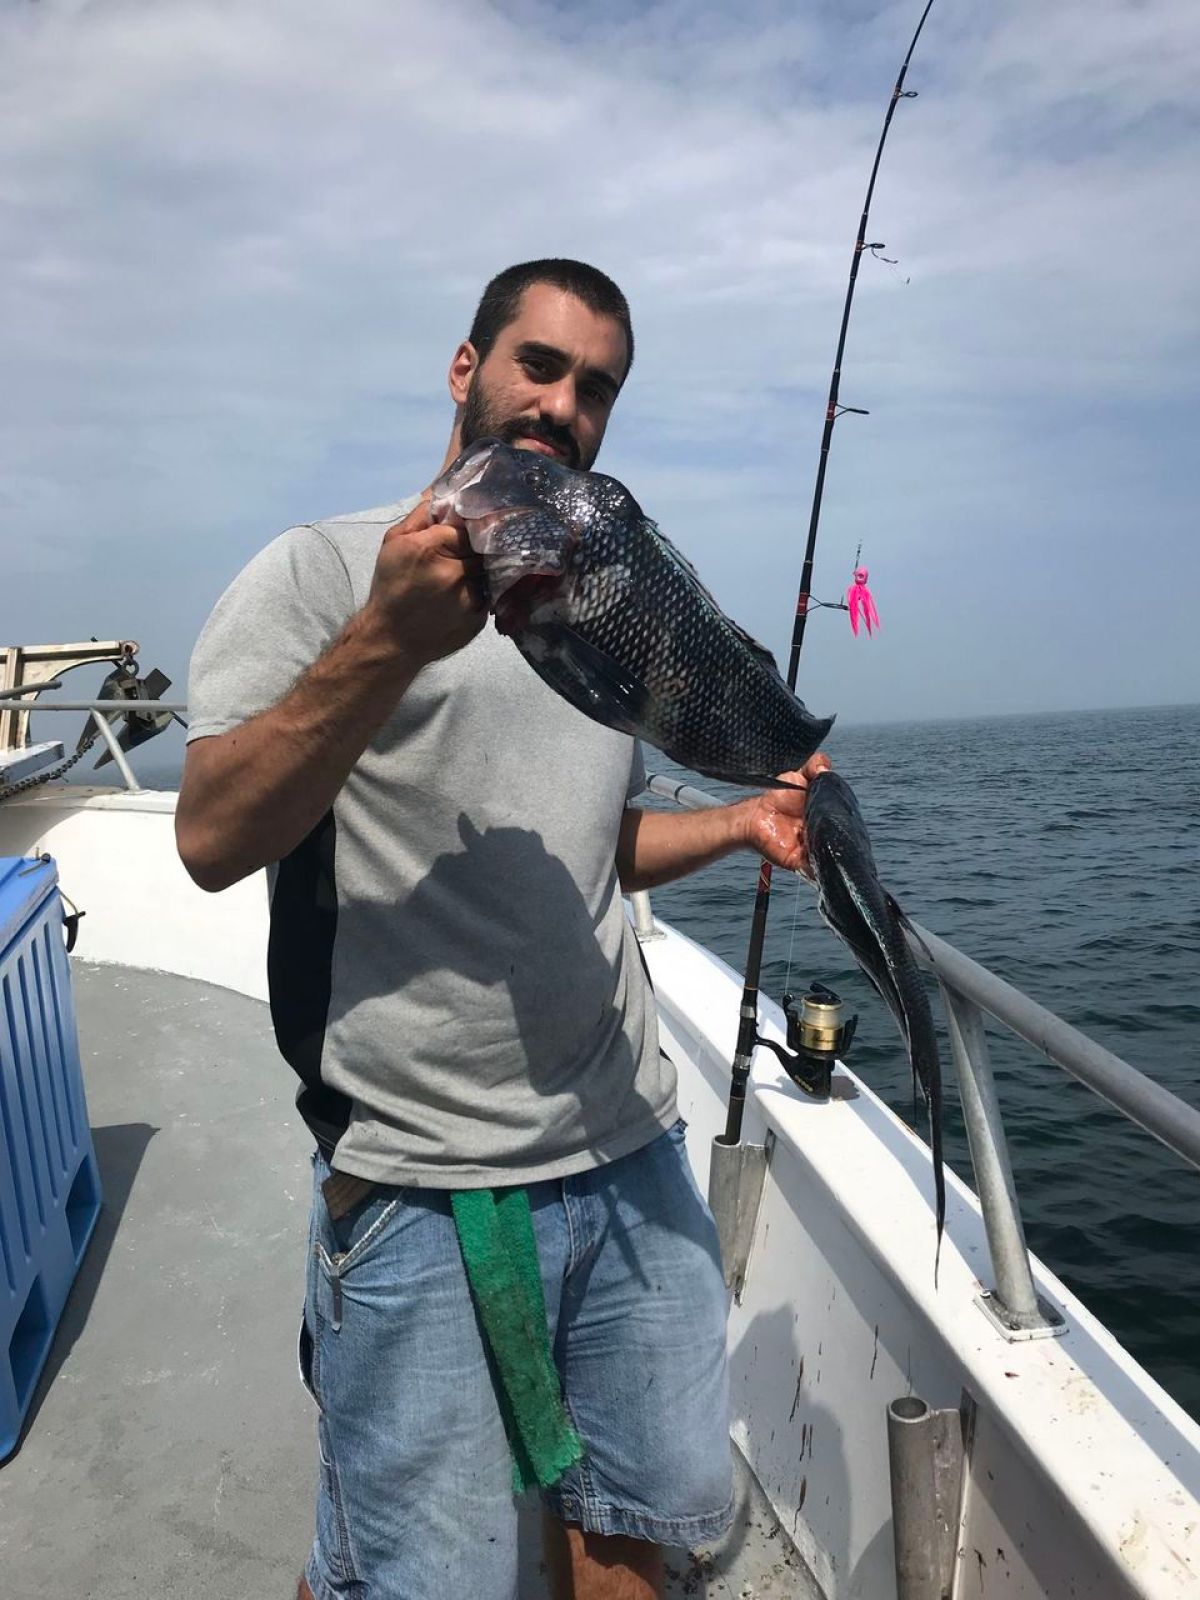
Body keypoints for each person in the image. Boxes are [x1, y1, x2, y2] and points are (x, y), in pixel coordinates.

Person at [176, 258, 830, 1600]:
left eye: (597, 389)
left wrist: (736, 824)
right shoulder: (316, 573)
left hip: (630, 1145)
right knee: (410, 1578)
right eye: (538, 364)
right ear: (467, 368)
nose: (562, 405)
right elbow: (210, 837)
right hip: (423, 1174)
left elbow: (589, 847)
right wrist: (386, 642)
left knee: (641, 1531)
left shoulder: (594, 609)